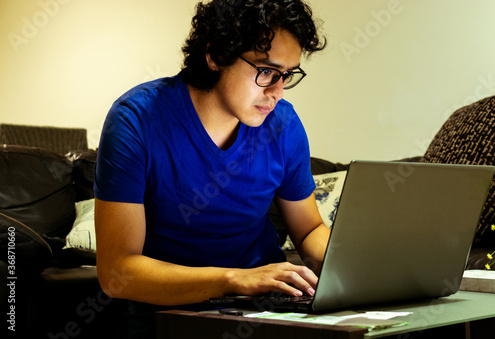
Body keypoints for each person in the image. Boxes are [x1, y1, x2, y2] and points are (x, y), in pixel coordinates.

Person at [94, 0, 329, 336]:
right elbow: (118, 272)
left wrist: (348, 270)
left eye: (287, 75)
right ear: (216, 55)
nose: (277, 92)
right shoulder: (136, 120)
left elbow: (308, 231)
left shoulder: (283, 125)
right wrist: (233, 279)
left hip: (266, 308)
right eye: (266, 71)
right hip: (167, 312)